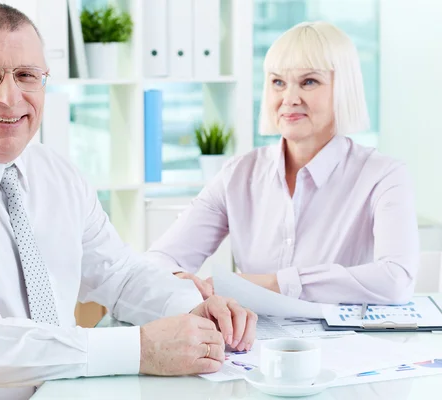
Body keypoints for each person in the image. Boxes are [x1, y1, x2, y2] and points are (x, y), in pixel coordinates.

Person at [0, 4, 257, 400]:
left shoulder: (55, 173)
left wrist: (197, 310)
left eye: (26, 75)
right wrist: (140, 347)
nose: (9, 97)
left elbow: (121, 275)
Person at [147, 21, 419, 305]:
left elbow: (396, 280)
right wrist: (180, 280)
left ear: (343, 88)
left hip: (348, 344)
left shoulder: (383, 175)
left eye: (309, 81)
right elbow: (159, 260)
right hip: (251, 342)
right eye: (278, 82)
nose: (289, 99)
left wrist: (268, 284)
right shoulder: (239, 174)